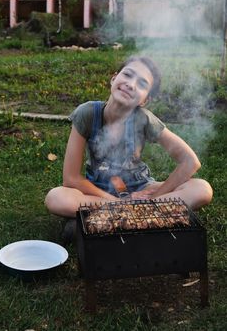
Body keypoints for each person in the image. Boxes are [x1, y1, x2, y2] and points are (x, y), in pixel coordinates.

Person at [45, 56, 213, 221]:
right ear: (114, 78)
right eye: (127, 74)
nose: (131, 84)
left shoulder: (145, 119)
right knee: (56, 197)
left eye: (142, 84)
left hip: (140, 187)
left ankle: (109, 217)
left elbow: (190, 161)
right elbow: (71, 178)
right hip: (98, 191)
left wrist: (154, 196)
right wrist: (118, 202)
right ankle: (142, 215)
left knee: (201, 189)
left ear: (145, 100)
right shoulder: (87, 114)